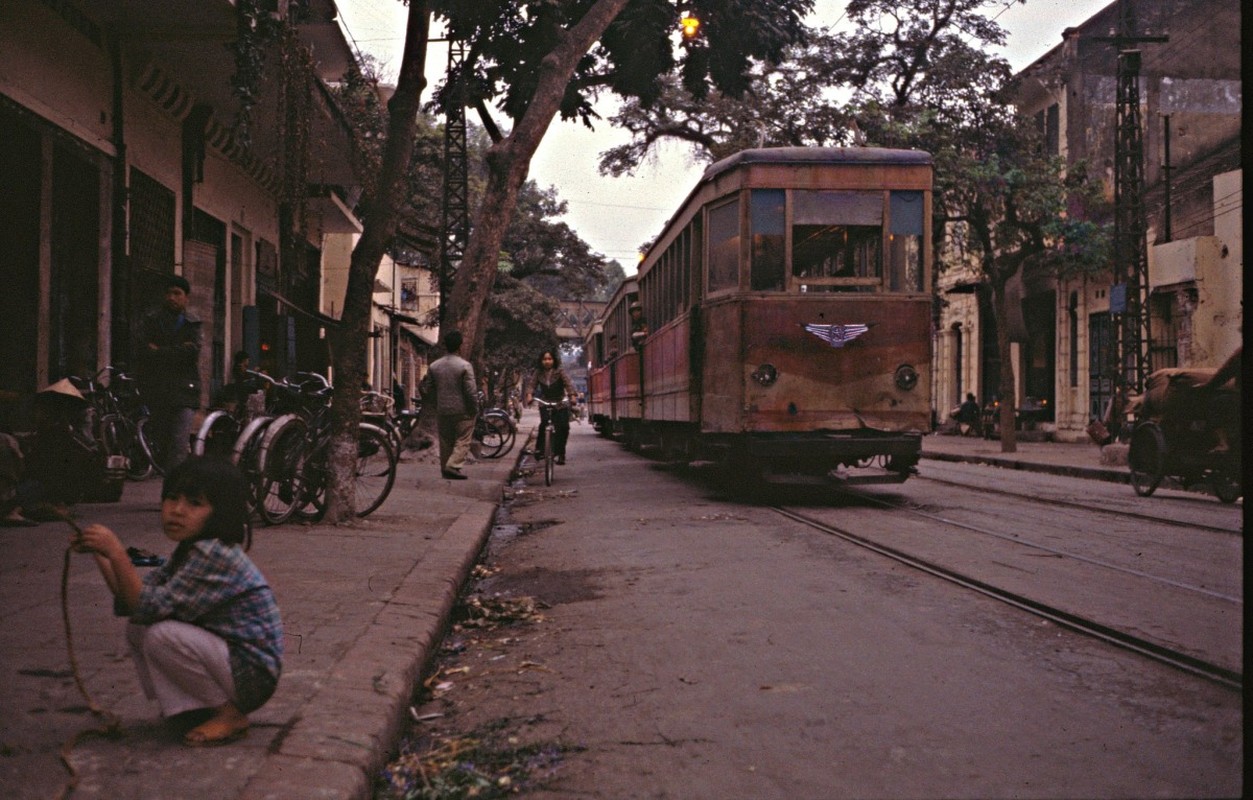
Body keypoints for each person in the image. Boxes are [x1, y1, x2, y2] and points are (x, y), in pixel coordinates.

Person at [70, 457, 283, 747]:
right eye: (171, 498)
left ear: (219, 514)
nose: (177, 511)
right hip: (232, 663)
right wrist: (102, 554)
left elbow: (142, 603)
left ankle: (228, 714)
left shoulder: (214, 555)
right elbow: (137, 599)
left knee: (162, 635)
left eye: (195, 503)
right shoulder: (191, 550)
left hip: (251, 675)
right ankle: (192, 709)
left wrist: (117, 553)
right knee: (139, 627)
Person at [138, 275, 202, 471]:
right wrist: (175, 350)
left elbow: (191, 352)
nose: (172, 298)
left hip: (184, 392)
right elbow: (144, 350)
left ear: (186, 298)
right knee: (162, 441)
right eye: (169, 293)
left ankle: (173, 490)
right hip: (159, 390)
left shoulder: (192, 323)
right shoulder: (152, 320)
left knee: (179, 441)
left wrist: (160, 351)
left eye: (177, 293)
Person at [418, 330, 478, 480]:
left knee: (445, 440)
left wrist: (437, 403)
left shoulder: (434, 366)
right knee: (463, 439)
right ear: (460, 346)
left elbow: (429, 389)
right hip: (463, 410)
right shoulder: (465, 366)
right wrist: (474, 408)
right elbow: (471, 391)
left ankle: (445, 469)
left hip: (443, 409)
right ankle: (453, 465)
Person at [524, 350, 577, 465]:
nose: (547, 361)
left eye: (549, 359)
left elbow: (568, 384)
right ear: (541, 361)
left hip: (560, 403)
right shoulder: (538, 373)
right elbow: (531, 385)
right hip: (545, 402)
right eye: (545, 359)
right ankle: (540, 449)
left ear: (554, 360)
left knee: (563, 427)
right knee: (543, 424)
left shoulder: (560, 371)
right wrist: (529, 395)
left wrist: (572, 396)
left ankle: (561, 453)